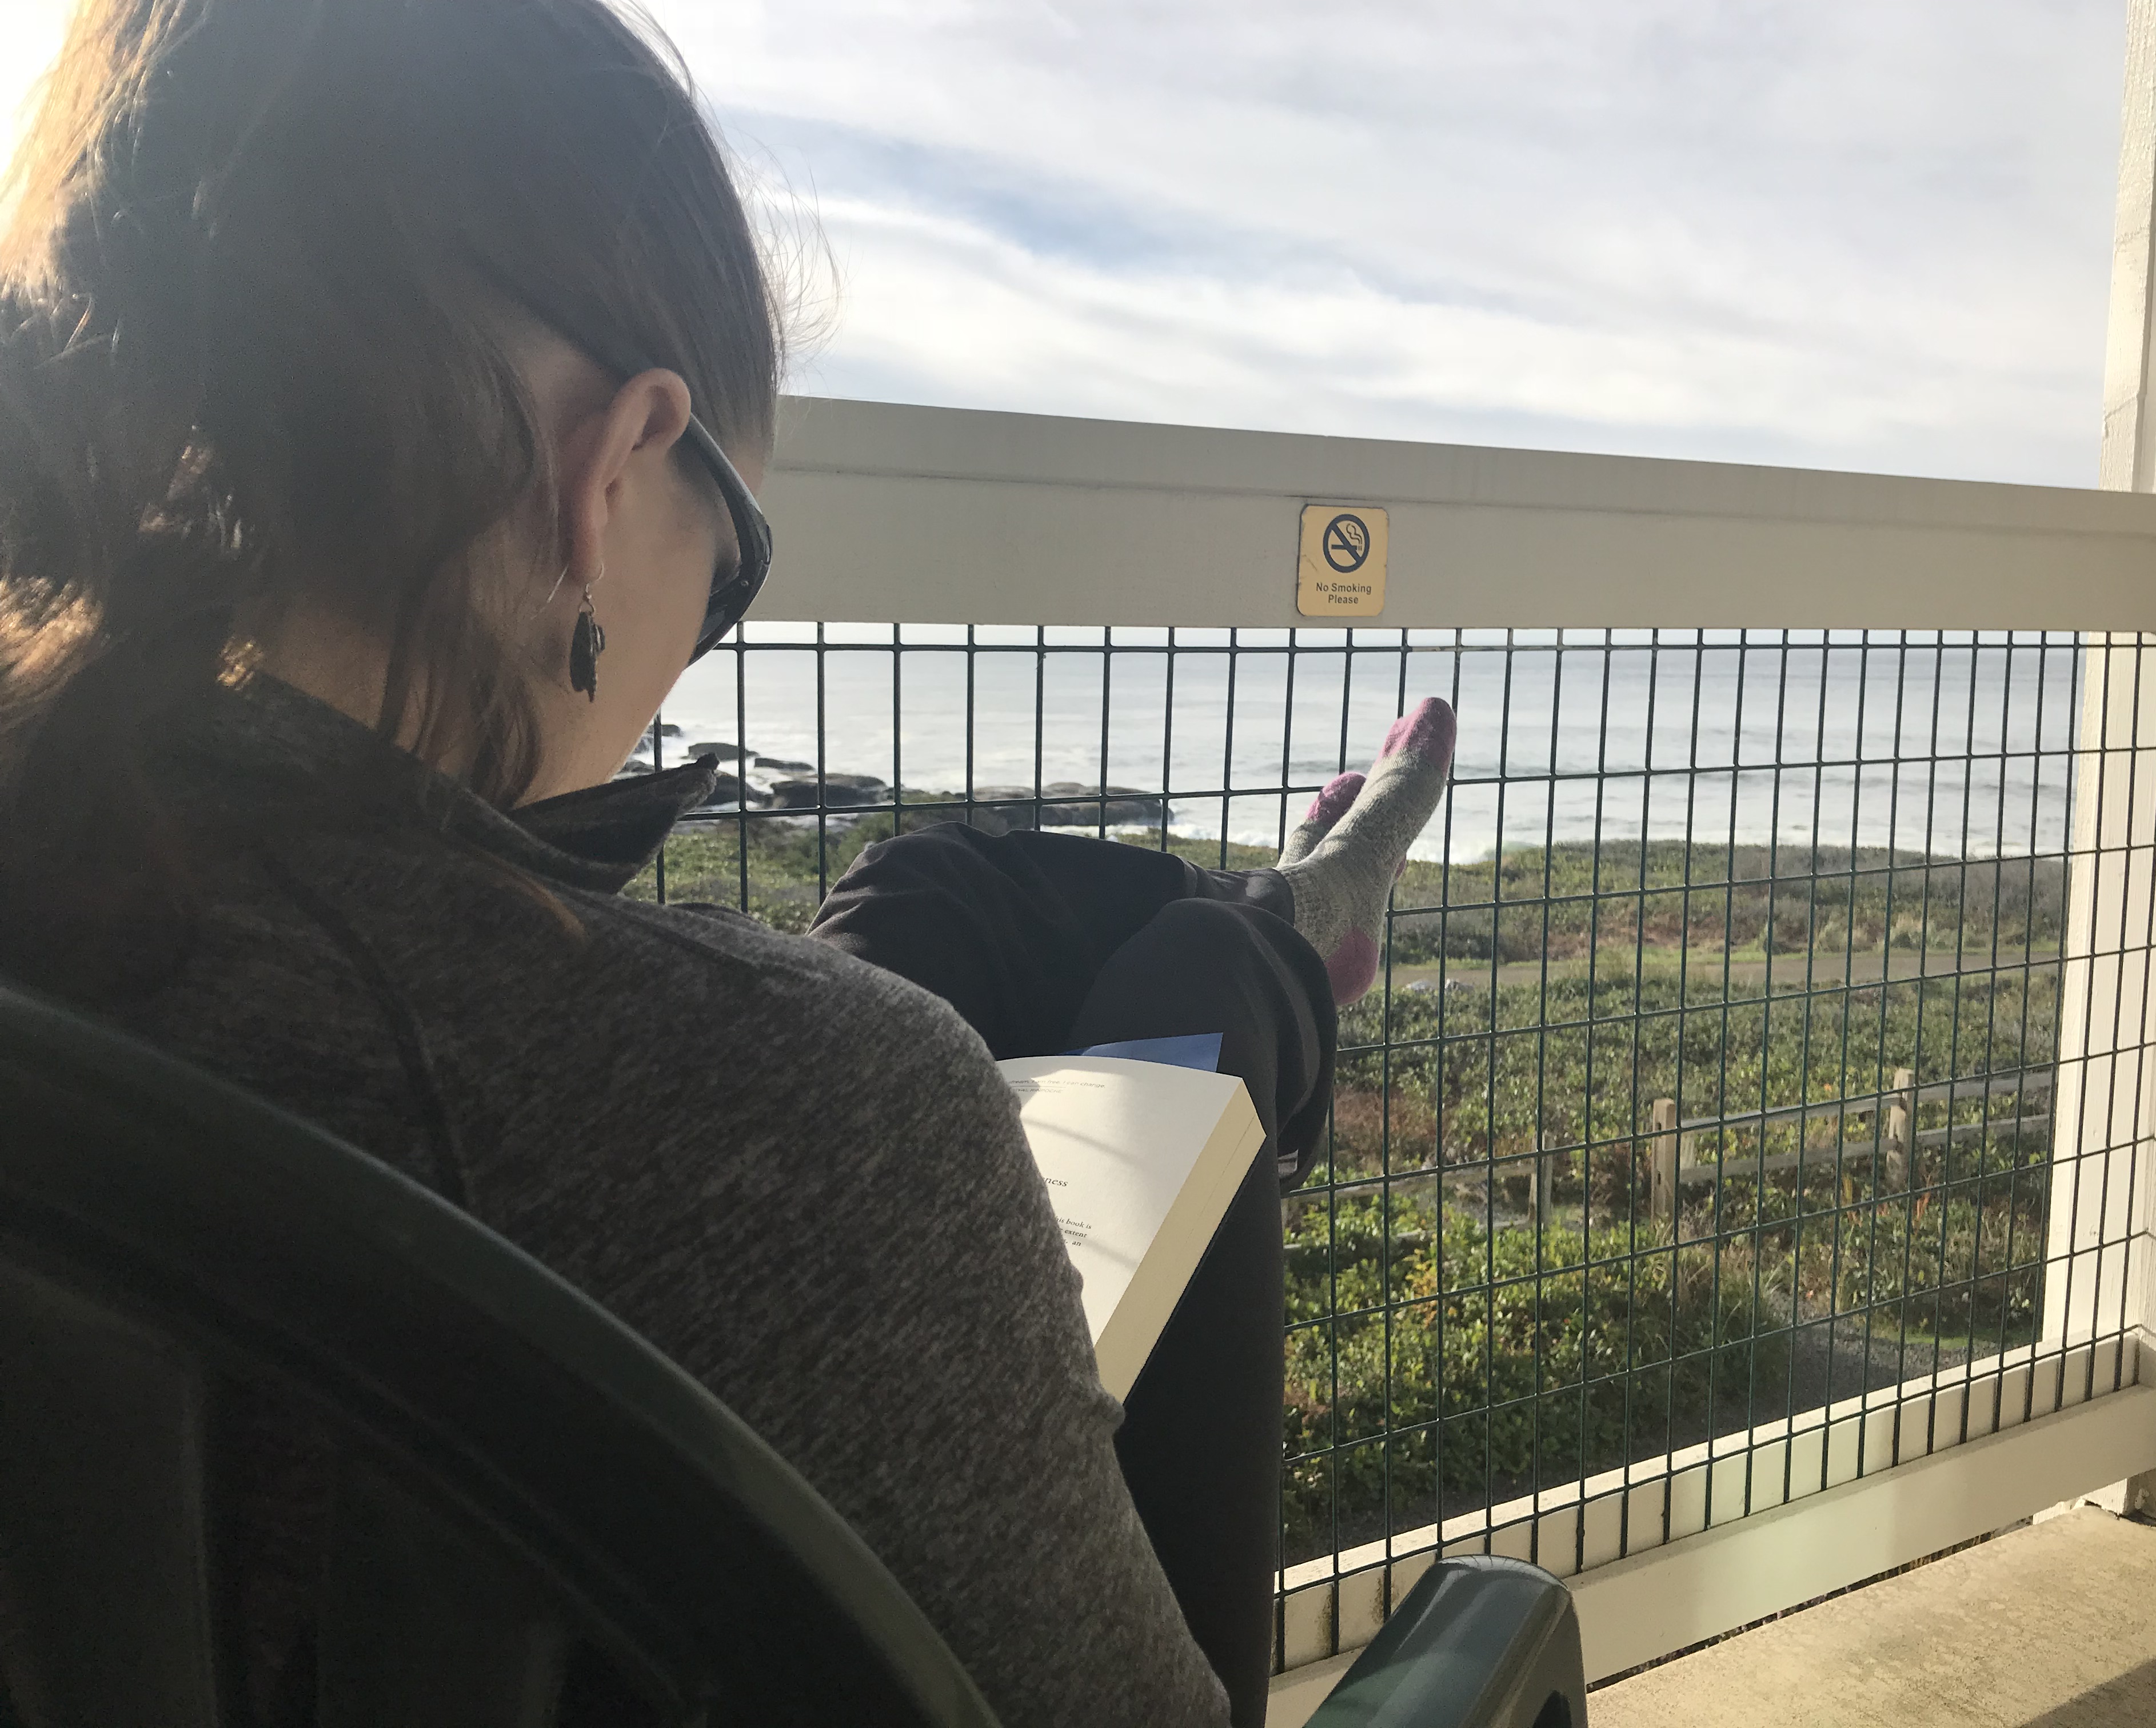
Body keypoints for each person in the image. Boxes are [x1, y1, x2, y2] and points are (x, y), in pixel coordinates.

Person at [0, 3, 1456, 1725]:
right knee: (1183, 1013)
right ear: (613, 466)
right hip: (772, 1183)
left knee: (922, 900)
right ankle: (1278, 945)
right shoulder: (806, 1121)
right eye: (734, 566)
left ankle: (1255, 928)